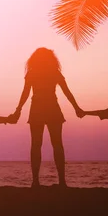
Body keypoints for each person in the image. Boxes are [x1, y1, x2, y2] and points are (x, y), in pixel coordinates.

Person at [13, 47, 84, 188]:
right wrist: (76, 108)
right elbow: (66, 91)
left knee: (38, 145)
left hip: (40, 109)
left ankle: (36, 181)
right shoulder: (52, 72)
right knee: (56, 145)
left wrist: (18, 110)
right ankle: (60, 181)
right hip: (49, 109)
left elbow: (26, 93)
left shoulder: (34, 73)